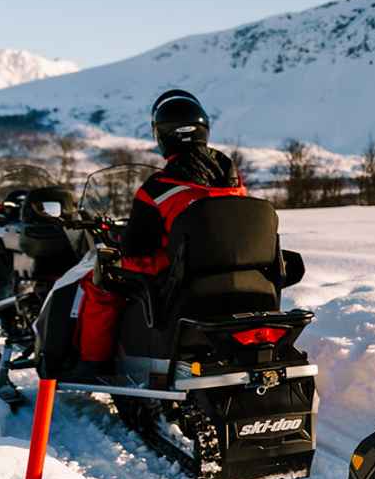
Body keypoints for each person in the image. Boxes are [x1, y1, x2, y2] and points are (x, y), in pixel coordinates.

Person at [70, 89, 246, 375]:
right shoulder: (234, 183)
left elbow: (136, 249)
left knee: (100, 281)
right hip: (236, 271)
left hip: (180, 278)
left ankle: (93, 363)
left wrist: (119, 241)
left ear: (162, 136)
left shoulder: (158, 189)